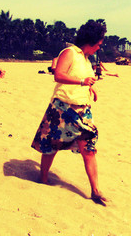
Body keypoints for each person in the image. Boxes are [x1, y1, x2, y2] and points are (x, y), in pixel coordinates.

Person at [31, 20, 108, 205]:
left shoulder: (87, 59)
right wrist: (82, 82)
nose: (99, 47)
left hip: (83, 111)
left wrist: (90, 88)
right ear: (90, 40)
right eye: (98, 43)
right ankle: (43, 179)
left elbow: (84, 78)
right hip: (62, 109)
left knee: (89, 149)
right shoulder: (70, 53)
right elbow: (59, 75)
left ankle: (95, 190)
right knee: (51, 147)